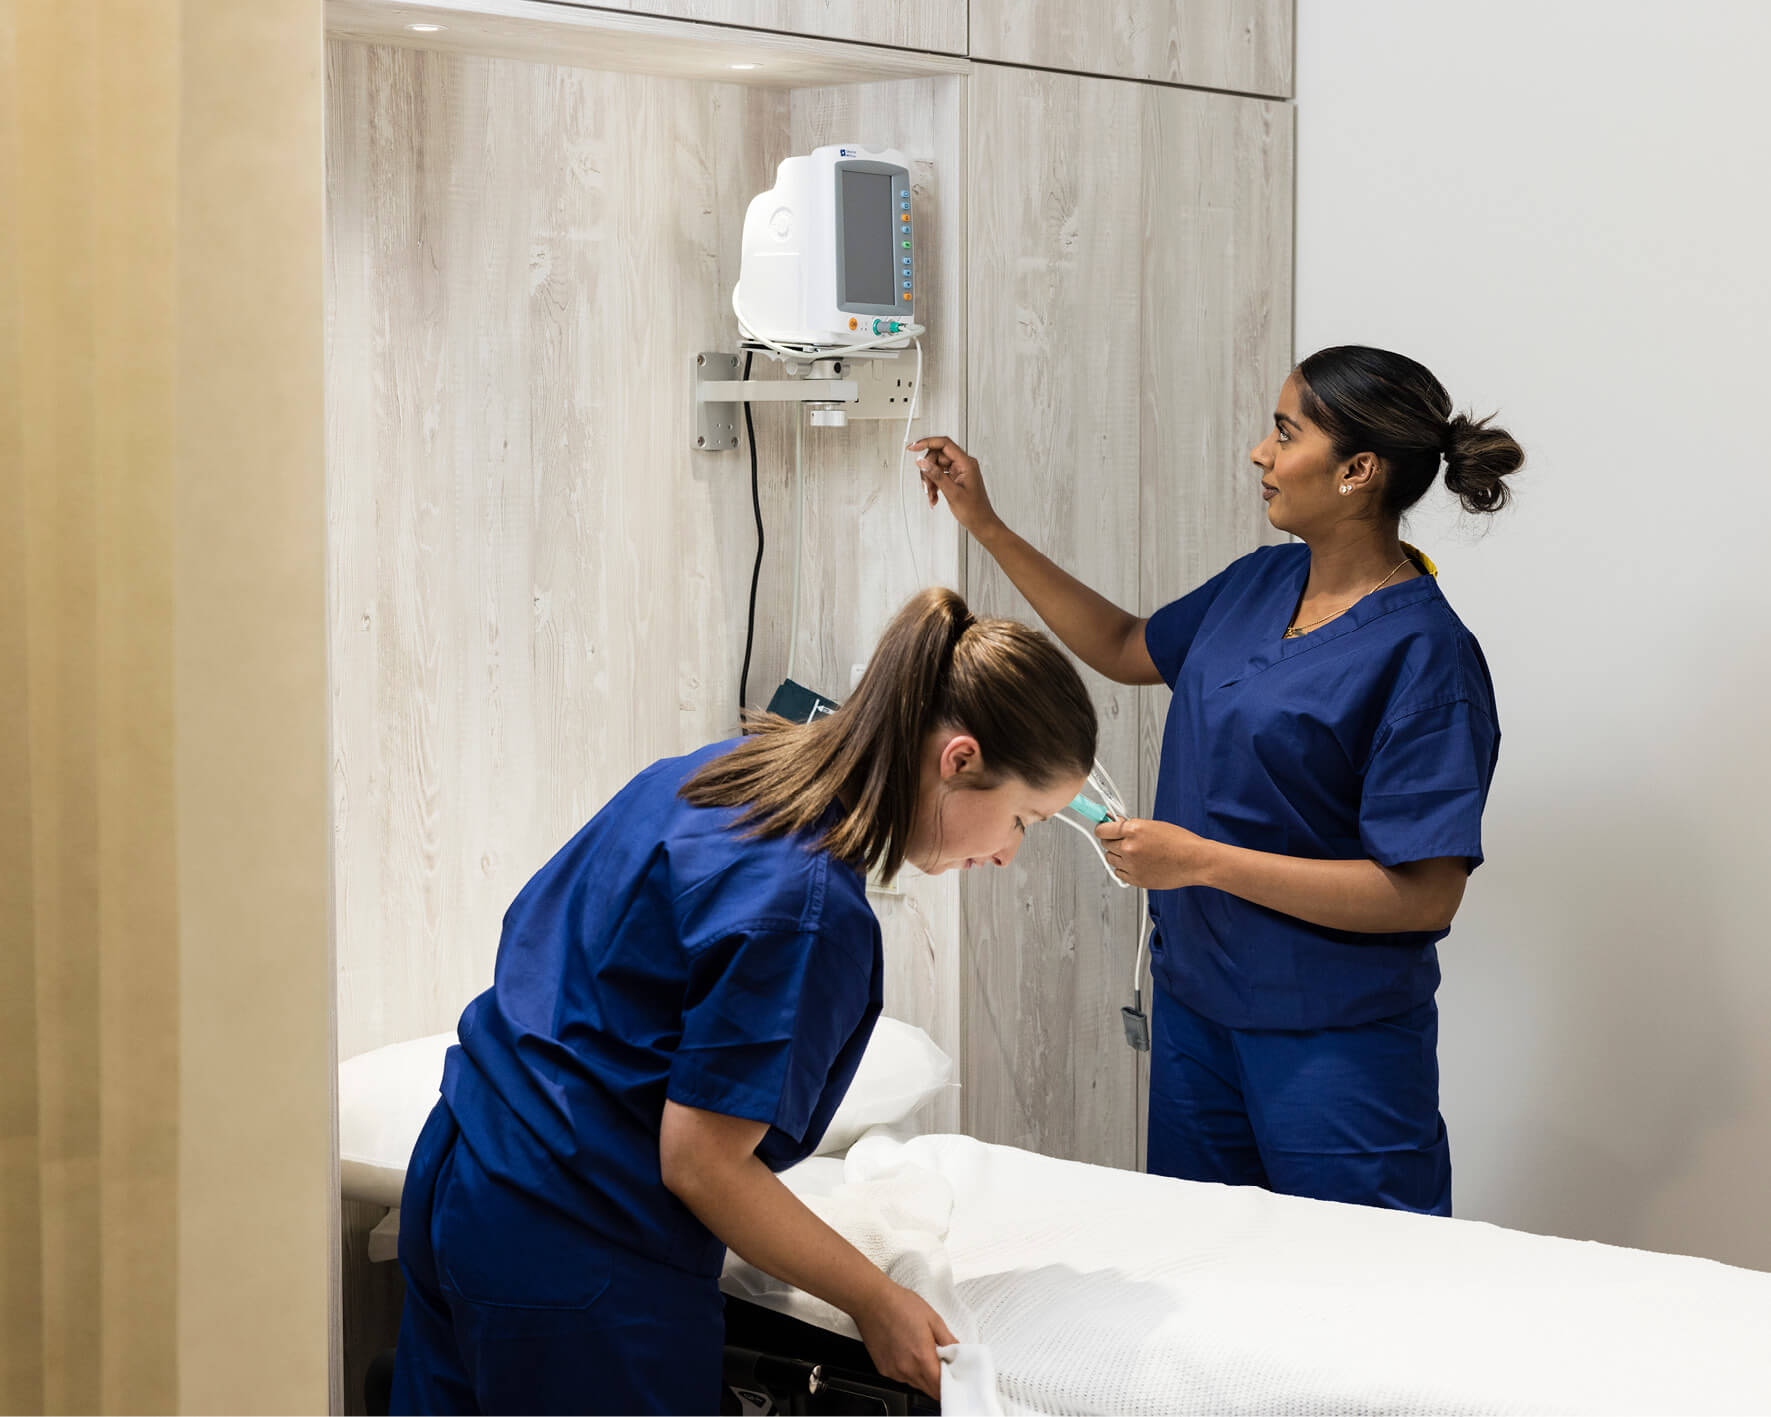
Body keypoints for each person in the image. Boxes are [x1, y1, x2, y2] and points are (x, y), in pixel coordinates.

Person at [389, 588, 1097, 1415]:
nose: (1008, 853)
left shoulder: (713, 774)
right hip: (579, 1258)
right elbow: (700, 1162)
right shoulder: (806, 909)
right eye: (1023, 819)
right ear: (958, 759)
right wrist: (873, 1297)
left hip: (461, 1181)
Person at [912, 345, 1523, 1217]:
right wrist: (988, 524)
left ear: (1357, 470)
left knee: (1362, 1294)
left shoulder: (1425, 657)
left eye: (1284, 432)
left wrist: (1203, 863)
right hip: (1198, 1017)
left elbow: (1423, 897)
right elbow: (1127, 647)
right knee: (1203, 1276)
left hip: (1332, 1046)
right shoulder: (1262, 580)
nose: (1258, 453)